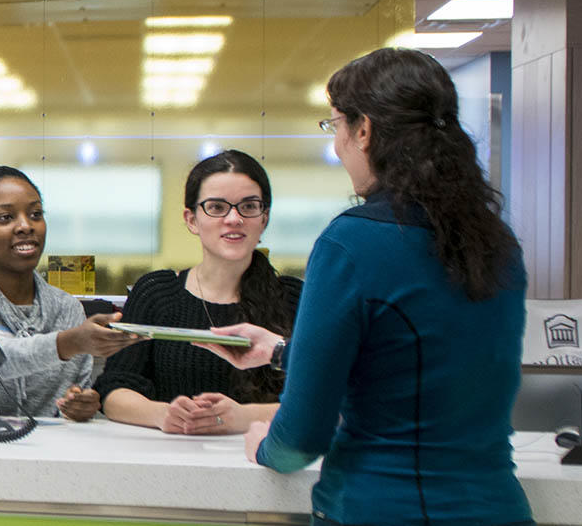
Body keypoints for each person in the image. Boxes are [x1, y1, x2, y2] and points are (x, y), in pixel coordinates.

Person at [200, 48, 532, 525]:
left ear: (365, 130)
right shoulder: (496, 243)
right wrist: (281, 351)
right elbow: (422, 363)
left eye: (335, 125)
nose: (336, 145)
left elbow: (301, 439)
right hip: (497, 507)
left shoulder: (352, 242)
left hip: (384, 508)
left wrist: (265, 446)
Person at [94, 150, 301, 435]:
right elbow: (114, 390)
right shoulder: (156, 293)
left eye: (249, 206)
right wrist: (162, 414)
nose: (233, 218)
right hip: (173, 462)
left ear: (264, 218)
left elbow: (326, 398)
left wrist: (243, 417)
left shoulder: (294, 299)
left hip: (266, 464)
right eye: (216, 207)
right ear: (191, 219)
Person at [0, 165, 141, 421]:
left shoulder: (66, 308)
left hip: (45, 452)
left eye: (36, 214)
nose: (26, 226)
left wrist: (81, 406)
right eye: (5, 217)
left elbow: (76, 396)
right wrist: (67, 343)